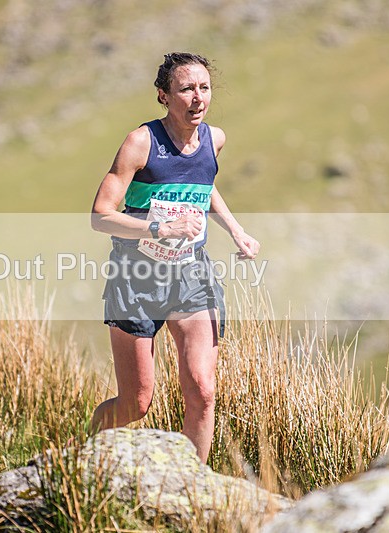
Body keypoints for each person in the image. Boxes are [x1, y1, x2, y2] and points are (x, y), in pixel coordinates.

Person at [89, 52, 259, 462]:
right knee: (137, 403)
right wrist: (156, 228)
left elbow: (203, 185)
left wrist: (236, 230)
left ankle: (193, 492)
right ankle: (84, 452)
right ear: (164, 96)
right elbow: (100, 216)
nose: (197, 98)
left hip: (191, 276)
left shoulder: (214, 139)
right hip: (136, 279)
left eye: (204, 88)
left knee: (202, 390)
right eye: (186, 89)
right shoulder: (141, 142)